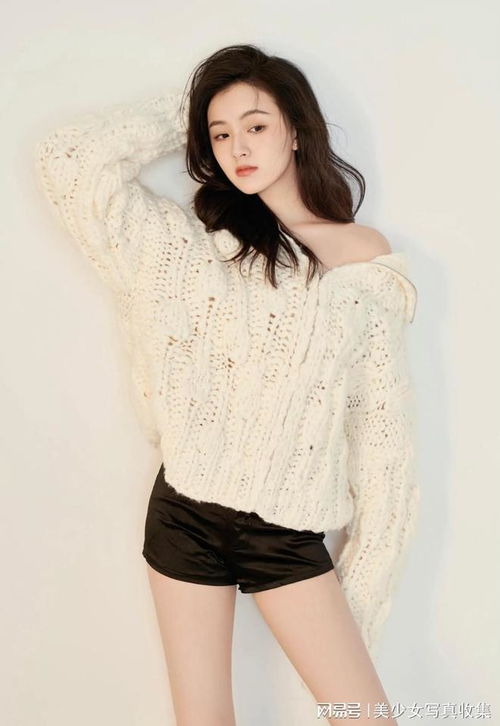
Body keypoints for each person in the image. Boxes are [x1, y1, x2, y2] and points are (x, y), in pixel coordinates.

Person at [34, 43, 420, 726]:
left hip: (287, 532)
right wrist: (191, 108)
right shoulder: (190, 248)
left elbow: (381, 439)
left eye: (256, 124)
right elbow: (68, 159)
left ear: (296, 129)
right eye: (219, 134)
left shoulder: (362, 257)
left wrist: (359, 595)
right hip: (184, 512)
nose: (238, 146)